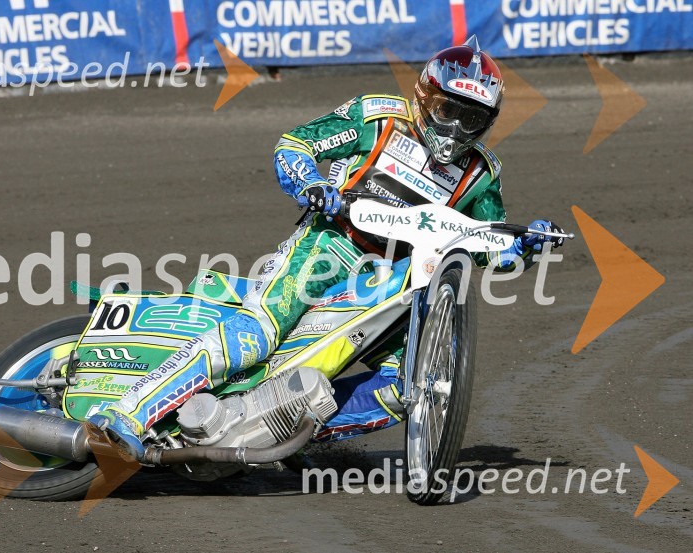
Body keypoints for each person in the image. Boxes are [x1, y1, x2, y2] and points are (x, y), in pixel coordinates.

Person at [89, 36, 564, 458]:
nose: (457, 128)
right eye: (448, 111)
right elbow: (296, 144)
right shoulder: (378, 117)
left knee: (405, 386)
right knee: (254, 336)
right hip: (327, 246)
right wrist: (311, 184)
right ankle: (126, 414)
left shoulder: (482, 172)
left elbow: (488, 245)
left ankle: (278, 430)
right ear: (425, 97)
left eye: (472, 118)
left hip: (398, 281)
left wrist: (525, 245)